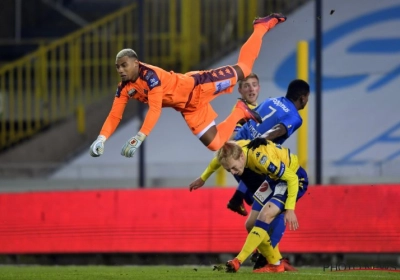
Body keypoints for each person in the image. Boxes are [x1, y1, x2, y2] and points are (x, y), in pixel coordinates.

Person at [89, 13, 286, 158]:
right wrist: (101, 139)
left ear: (136, 63)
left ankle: (261, 26)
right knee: (216, 143)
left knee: (244, 68)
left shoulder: (150, 76)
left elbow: (155, 108)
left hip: (199, 86)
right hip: (188, 107)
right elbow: (115, 115)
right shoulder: (124, 87)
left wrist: (140, 136)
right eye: (118, 67)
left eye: (124, 65)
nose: (121, 70)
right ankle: (240, 111)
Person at [190, 79, 310, 216]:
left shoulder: (271, 100)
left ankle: (240, 198)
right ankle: (248, 207)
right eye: (307, 98)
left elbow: (250, 115)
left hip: (238, 143)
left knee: (259, 194)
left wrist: (203, 177)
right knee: (270, 202)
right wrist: (263, 138)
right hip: (252, 153)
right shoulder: (295, 117)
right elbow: (280, 129)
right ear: (303, 98)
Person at [217, 139, 309, 273]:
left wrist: (290, 209)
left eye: (233, 168)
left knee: (265, 216)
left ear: (242, 156)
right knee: (250, 224)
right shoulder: (236, 149)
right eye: (228, 169)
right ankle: (276, 263)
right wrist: (203, 177)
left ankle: (238, 261)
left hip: (292, 178)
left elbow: (292, 178)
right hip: (273, 180)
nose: (233, 172)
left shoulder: (262, 160)